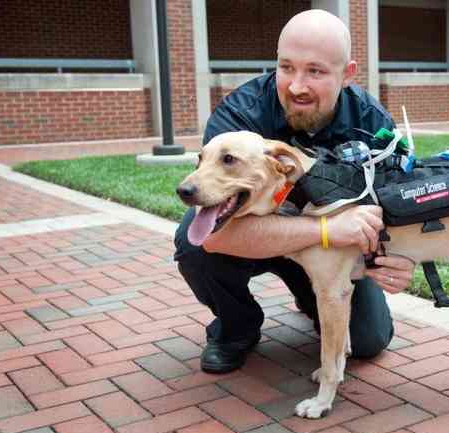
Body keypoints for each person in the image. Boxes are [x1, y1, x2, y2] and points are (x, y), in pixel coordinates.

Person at [174, 9, 415, 374]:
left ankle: (311, 297)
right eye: (286, 67)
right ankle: (237, 328)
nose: (297, 85)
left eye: (315, 71)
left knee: (369, 341)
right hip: (256, 241)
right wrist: (324, 230)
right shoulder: (241, 115)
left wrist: (396, 259)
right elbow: (214, 238)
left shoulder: (371, 123)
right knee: (193, 244)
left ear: (347, 74)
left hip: (329, 256)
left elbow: (397, 208)